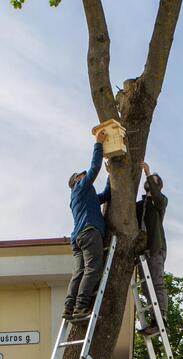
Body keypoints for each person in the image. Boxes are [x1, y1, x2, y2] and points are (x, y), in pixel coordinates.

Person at [64, 129, 111, 320]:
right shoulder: (80, 187)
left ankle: (68, 307)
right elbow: (94, 168)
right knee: (93, 269)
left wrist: (110, 176)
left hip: (77, 239)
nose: (85, 176)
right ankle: (81, 307)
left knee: (79, 272)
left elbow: (106, 195)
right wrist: (98, 144)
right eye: (81, 175)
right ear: (76, 180)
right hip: (89, 233)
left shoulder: (83, 196)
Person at [136, 161, 168, 335]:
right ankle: (154, 320)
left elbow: (156, 195)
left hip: (156, 249)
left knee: (157, 284)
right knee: (147, 288)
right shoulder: (140, 205)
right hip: (142, 252)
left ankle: (161, 319)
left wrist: (147, 172)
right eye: (148, 180)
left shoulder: (160, 203)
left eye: (154, 181)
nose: (149, 182)